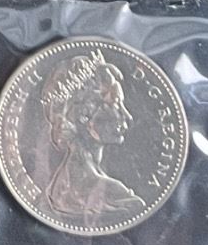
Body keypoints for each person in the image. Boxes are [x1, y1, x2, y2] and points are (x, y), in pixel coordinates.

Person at [40, 49, 146, 220]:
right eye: (116, 104)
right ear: (84, 115)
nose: (128, 116)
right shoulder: (116, 195)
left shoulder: (56, 188)